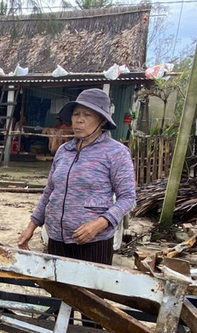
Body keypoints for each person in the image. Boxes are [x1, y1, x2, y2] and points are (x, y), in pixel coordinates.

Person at [16, 88, 136, 264]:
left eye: (87, 115)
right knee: (58, 290)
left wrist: (99, 224)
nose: (79, 120)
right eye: (76, 114)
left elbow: (127, 198)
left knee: (87, 291)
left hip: (92, 242)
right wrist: (31, 226)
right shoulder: (64, 151)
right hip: (57, 239)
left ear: (102, 120)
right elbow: (50, 192)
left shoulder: (115, 153)